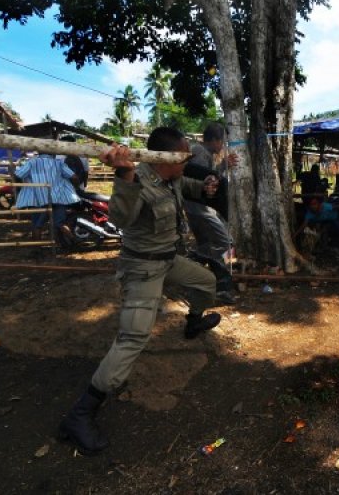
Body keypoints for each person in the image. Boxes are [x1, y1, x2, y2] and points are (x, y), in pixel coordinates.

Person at [57, 127, 222, 455]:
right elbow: (121, 216)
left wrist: (205, 186)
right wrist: (124, 173)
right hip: (143, 267)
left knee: (207, 283)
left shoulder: (172, 177)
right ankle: (79, 415)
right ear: (166, 158)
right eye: (184, 154)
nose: (188, 159)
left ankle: (193, 322)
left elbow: (186, 186)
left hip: (168, 259)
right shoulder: (138, 179)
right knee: (133, 338)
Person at [183, 122, 237, 303]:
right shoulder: (199, 153)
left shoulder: (203, 153)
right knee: (227, 243)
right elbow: (204, 181)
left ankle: (201, 280)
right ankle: (224, 283)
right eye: (222, 142)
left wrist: (222, 167)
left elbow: (209, 176)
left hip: (195, 208)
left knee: (205, 245)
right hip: (199, 208)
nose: (222, 146)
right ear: (214, 140)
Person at [14, 151, 80, 242]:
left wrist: (22, 185)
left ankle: (37, 249)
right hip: (59, 198)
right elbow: (74, 177)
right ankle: (73, 240)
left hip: (39, 199)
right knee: (60, 223)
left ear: (39, 152)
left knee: (37, 225)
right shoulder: (59, 163)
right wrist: (75, 188)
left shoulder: (31, 162)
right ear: (52, 153)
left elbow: (18, 175)